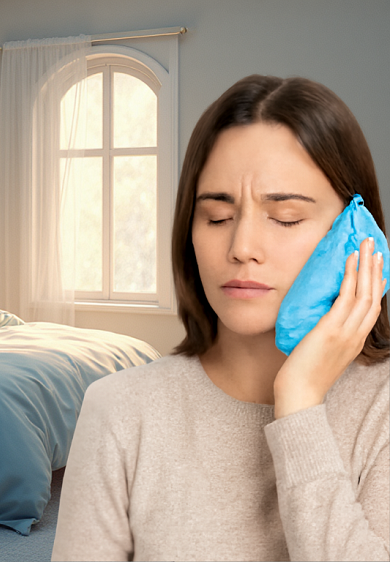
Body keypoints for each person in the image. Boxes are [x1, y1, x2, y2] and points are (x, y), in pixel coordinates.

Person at [52, 75, 389, 561]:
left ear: (359, 232)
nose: (241, 249)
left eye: (286, 217)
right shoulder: (119, 410)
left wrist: (298, 406)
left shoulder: (382, 411)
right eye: (215, 217)